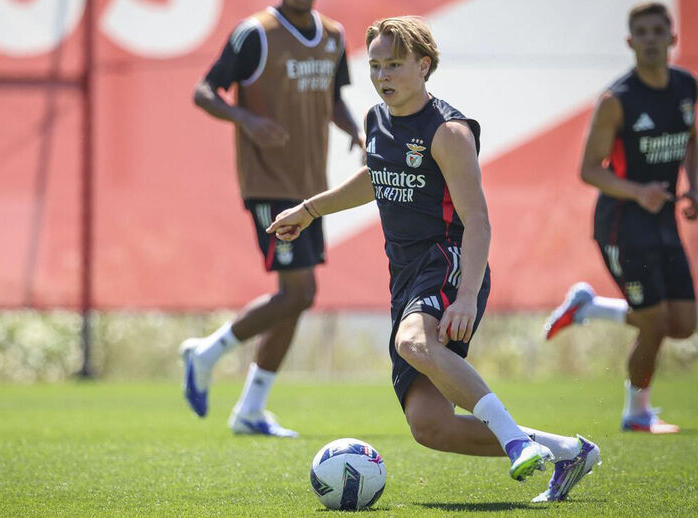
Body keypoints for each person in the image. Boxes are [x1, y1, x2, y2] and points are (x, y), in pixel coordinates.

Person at [267, 16, 600, 502]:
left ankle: (514, 443)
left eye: (395, 65)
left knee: (412, 341)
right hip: (405, 274)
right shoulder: (376, 119)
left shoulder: (450, 132)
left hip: (449, 260)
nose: (383, 76)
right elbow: (374, 176)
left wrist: (466, 295)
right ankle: (569, 451)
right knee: (430, 426)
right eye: (376, 65)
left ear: (424, 66)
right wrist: (310, 209)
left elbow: (478, 221)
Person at [181, 0, 363, 437]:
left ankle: (250, 408)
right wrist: (245, 119)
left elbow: (332, 98)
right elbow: (204, 91)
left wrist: (355, 129)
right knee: (299, 291)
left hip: (310, 187)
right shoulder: (255, 33)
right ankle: (206, 355)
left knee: (298, 296)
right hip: (268, 182)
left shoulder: (333, 35)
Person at [543, 2, 696, 434]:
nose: (650, 39)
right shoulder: (617, 100)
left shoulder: (687, 87)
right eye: (641, 33)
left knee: (684, 324)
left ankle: (590, 307)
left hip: (663, 220)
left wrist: (695, 185)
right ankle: (636, 413)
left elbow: (692, 142)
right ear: (630, 42)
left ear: (672, 38)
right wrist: (639, 192)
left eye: (657, 31)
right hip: (622, 225)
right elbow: (588, 169)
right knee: (653, 322)